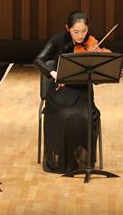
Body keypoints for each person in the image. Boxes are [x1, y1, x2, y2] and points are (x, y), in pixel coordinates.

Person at [33, 11, 101, 173]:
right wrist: (52, 73)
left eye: (84, 31)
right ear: (67, 28)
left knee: (86, 115)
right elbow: (38, 60)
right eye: (76, 32)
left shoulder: (91, 44)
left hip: (82, 93)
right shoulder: (58, 40)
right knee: (65, 115)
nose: (80, 36)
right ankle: (63, 161)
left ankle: (82, 159)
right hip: (60, 92)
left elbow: (97, 79)